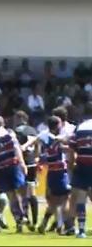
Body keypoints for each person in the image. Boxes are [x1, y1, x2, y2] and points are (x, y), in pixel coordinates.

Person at [22, 116, 71, 235]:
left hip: (51, 173)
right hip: (60, 172)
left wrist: (26, 147)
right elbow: (68, 145)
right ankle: (63, 226)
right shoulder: (57, 139)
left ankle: (44, 224)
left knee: (53, 201)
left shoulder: (45, 137)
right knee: (65, 199)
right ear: (57, 126)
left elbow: (34, 142)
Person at [67, 102, 92, 238]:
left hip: (82, 165)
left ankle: (81, 230)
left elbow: (71, 149)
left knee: (81, 198)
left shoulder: (79, 128)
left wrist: (70, 166)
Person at [13, 110, 39, 231]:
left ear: (19, 118)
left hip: (22, 163)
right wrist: (37, 156)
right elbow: (38, 143)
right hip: (32, 163)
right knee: (32, 193)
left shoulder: (17, 131)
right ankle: (34, 221)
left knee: (21, 193)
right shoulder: (33, 130)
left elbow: (16, 147)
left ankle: (23, 219)